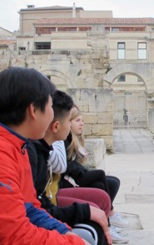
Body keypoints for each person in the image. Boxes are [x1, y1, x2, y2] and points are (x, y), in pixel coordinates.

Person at [0, 67, 88, 244]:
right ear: (34, 110)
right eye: (50, 107)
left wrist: (64, 231)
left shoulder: (17, 144)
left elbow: (29, 206)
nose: (53, 115)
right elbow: (12, 237)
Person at [27, 90, 111, 245]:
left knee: (99, 198)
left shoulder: (38, 150)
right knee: (92, 226)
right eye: (69, 122)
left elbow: (38, 204)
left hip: (44, 208)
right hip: (39, 216)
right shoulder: (31, 152)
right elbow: (33, 209)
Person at [62, 106, 129, 231]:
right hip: (69, 179)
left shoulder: (75, 139)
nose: (82, 124)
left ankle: (105, 217)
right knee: (100, 175)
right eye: (78, 121)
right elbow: (65, 165)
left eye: (82, 121)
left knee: (113, 182)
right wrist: (81, 168)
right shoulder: (65, 139)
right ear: (68, 122)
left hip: (76, 175)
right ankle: (110, 215)